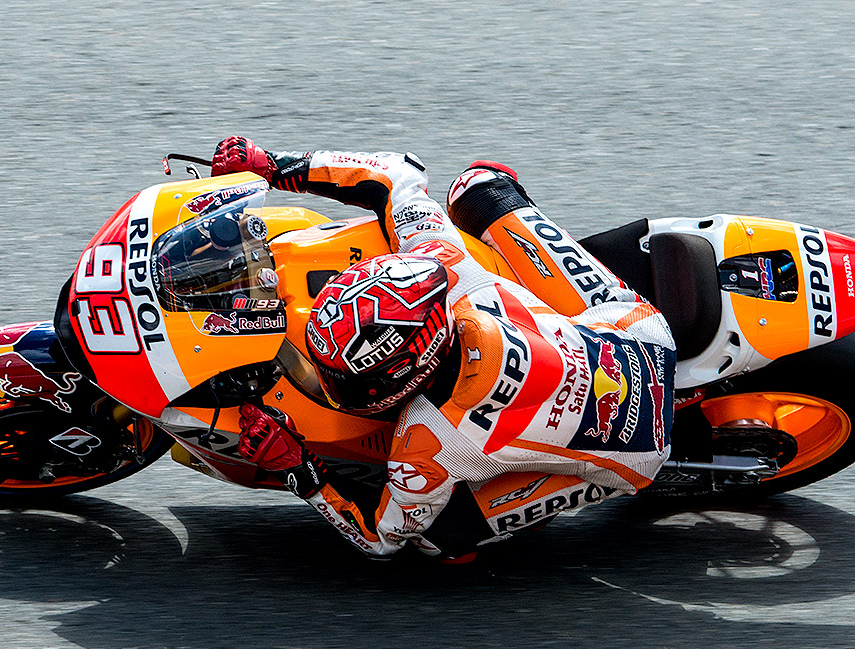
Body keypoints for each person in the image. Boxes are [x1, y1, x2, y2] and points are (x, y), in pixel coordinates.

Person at [213, 137, 676, 560]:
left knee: (437, 540)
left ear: (404, 375)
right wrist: (274, 166)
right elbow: (397, 175)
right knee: (479, 185)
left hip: (636, 453)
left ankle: (537, 504)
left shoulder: (428, 442)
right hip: (636, 329)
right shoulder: (445, 266)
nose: (333, 383)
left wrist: (299, 469)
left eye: (346, 377)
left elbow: (380, 538)